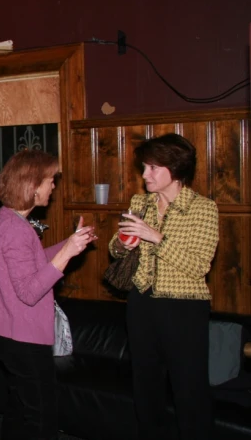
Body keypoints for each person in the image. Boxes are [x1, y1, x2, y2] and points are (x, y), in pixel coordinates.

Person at [111, 133, 218, 440]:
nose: (145, 175)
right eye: (144, 167)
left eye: (153, 168)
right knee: (146, 389)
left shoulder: (203, 208)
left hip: (184, 308)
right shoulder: (139, 203)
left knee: (190, 390)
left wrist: (155, 237)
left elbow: (199, 266)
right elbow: (117, 252)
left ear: (176, 169)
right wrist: (122, 242)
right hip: (142, 304)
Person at [0, 149, 96, 440]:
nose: (53, 186)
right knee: (41, 418)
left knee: (20, 409)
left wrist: (69, 246)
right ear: (32, 184)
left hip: (10, 333)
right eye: (51, 180)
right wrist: (67, 253)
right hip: (23, 337)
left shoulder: (7, 217)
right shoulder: (16, 228)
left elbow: (30, 261)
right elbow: (29, 291)